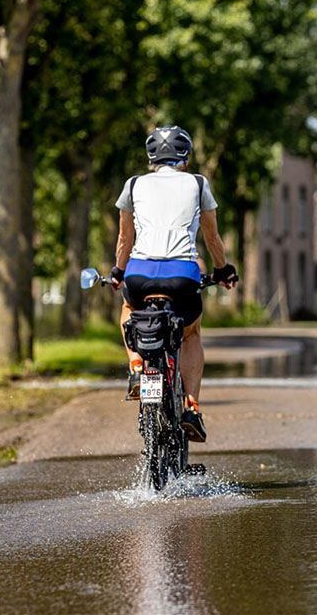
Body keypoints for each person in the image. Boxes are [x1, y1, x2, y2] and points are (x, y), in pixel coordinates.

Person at [110, 125, 238, 443]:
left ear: (151, 156)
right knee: (191, 332)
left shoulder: (133, 184)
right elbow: (211, 236)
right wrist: (223, 270)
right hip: (182, 276)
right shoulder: (198, 183)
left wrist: (117, 271)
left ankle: (137, 366)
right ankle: (191, 406)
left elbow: (125, 237)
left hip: (139, 274)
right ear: (185, 155)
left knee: (128, 307)